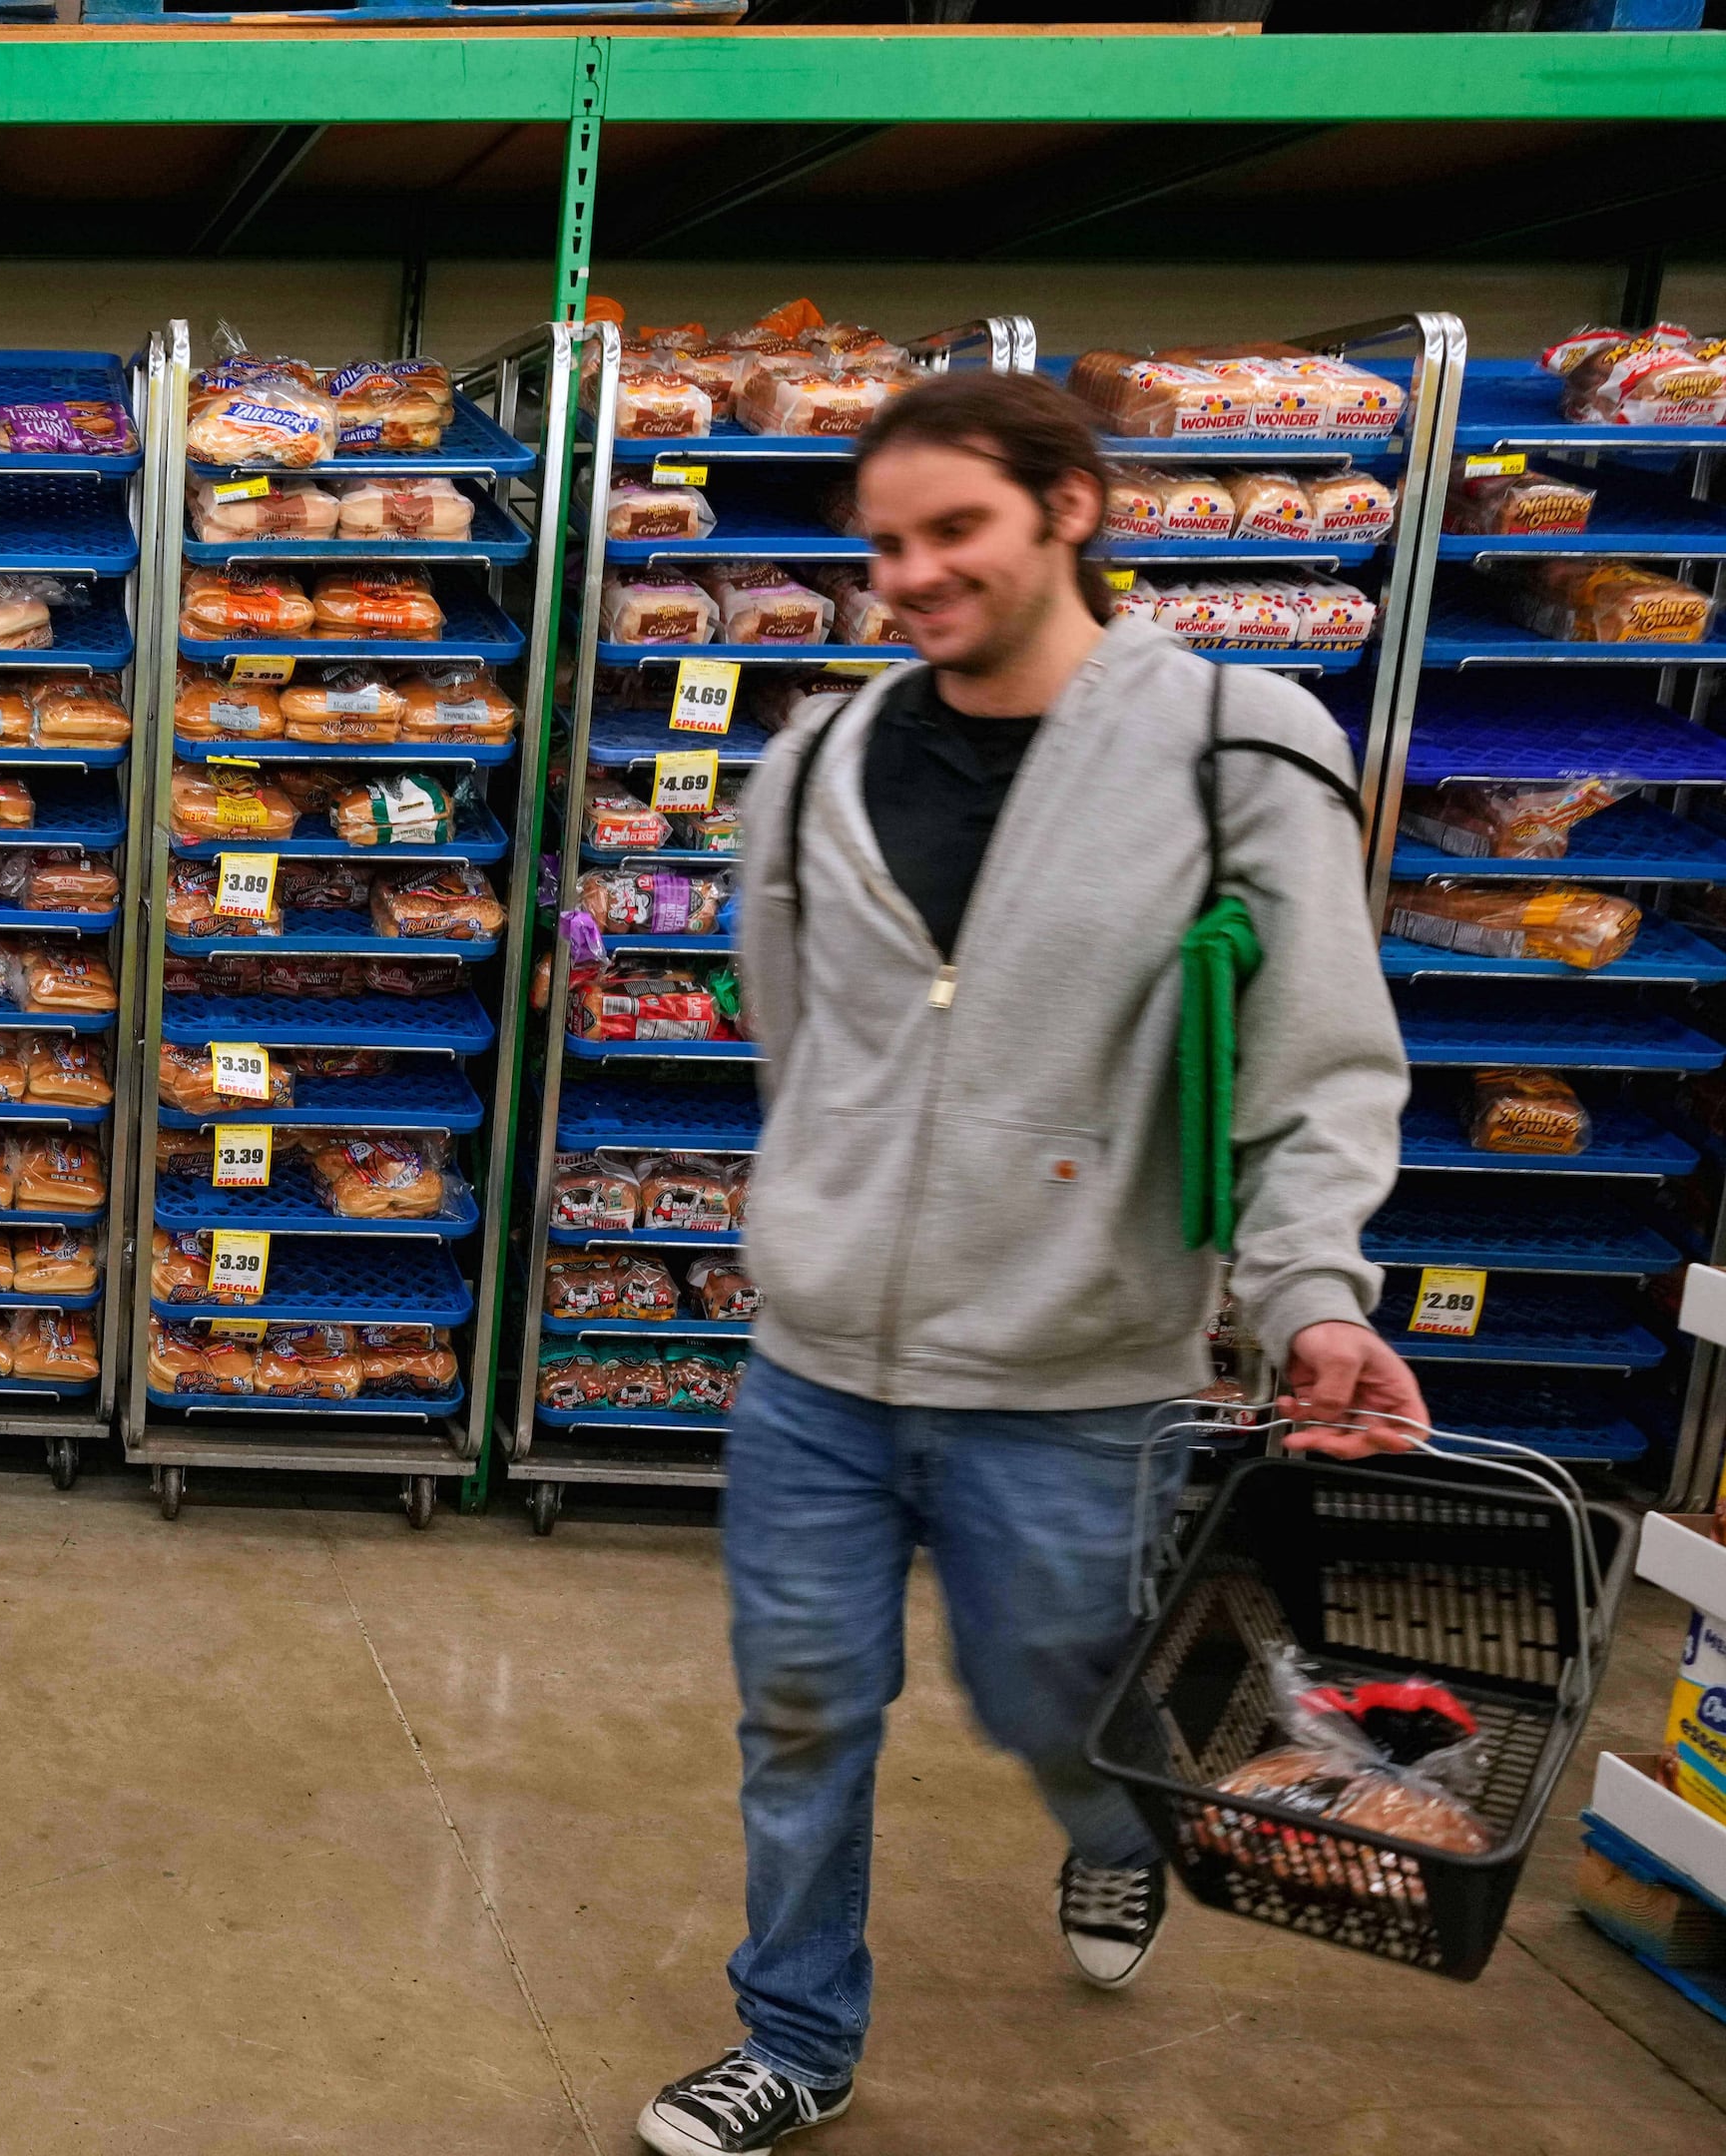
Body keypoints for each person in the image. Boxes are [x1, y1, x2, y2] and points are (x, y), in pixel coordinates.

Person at [634, 370, 1424, 2156]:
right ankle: (795, 2035)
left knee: (1071, 1714)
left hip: (1077, 1379)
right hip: (819, 1365)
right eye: (886, 545)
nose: (911, 575)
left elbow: (1318, 1060)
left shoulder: (1240, 746)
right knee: (802, 1717)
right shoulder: (817, 763)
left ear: (1071, 508)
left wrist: (1309, 1299)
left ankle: (1115, 1836)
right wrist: (828, 1210)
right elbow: (802, 1039)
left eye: (954, 530)